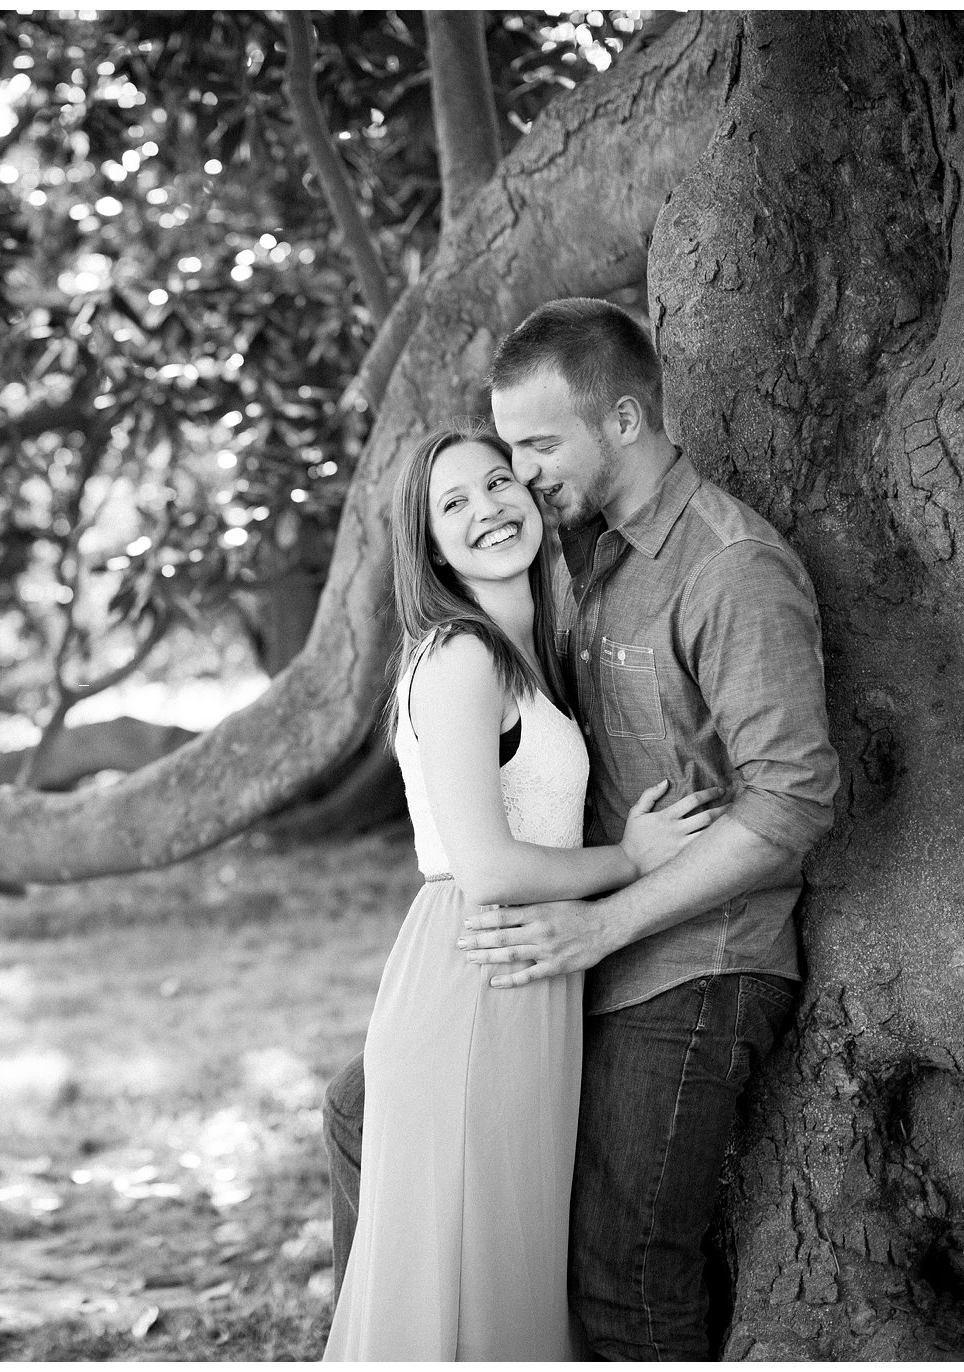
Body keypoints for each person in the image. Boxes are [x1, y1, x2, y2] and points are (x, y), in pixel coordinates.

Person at [322, 299, 840, 1361]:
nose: (517, 475)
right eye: (501, 453)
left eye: (530, 447)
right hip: (565, 954)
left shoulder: (727, 567)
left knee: (620, 1277)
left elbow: (792, 798)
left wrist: (602, 920)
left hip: (691, 960)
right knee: (365, 1126)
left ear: (619, 420)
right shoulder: (589, 562)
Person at [321, 423, 725, 1360]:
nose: (486, 510)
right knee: (462, 1275)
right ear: (427, 547)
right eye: (451, 504)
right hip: (477, 970)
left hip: (528, 974)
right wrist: (631, 858)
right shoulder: (459, 659)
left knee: (508, 1266)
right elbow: (491, 866)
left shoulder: (526, 655)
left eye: (497, 483)